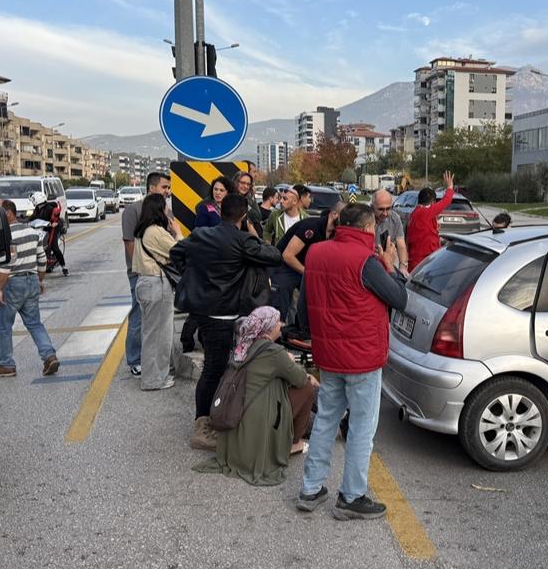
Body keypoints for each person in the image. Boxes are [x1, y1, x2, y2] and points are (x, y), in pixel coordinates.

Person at [297, 203, 407, 520]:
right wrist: (390, 267)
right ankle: (352, 496)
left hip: (328, 355)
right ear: (367, 228)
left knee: (327, 420)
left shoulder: (316, 252)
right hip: (361, 358)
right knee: (361, 427)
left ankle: (311, 488)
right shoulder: (367, 261)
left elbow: (305, 305)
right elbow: (399, 299)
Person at [171, 194, 283, 451]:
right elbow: (274, 256)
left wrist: (196, 277)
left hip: (202, 311)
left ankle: (216, 417)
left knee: (218, 367)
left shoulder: (200, 235)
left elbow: (176, 252)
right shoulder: (242, 241)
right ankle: (203, 426)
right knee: (214, 368)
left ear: (220, 210)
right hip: (223, 313)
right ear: (243, 216)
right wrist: (253, 234)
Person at [195, 307, 320, 485]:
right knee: (307, 387)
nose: (281, 325)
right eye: (277, 322)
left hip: (233, 416)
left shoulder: (242, 344)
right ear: (268, 328)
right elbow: (299, 379)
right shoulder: (273, 352)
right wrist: (291, 362)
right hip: (255, 422)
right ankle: (293, 442)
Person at [0, 200, 59, 378]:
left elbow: (7, 264)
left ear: (8, 213)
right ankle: (49, 356)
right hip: (31, 281)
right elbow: (42, 259)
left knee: (3, 326)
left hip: (13, 284)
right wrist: (40, 280)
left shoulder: (6, 235)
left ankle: (6, 364)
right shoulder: (31, 231)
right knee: (34, 323)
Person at [122, 171, 172, 376]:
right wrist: (141, 268)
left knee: (158, 321)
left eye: (168, 188)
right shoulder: (132, 211)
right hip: (141, 272)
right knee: (138, 315)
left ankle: (156, 361)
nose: (168, 192)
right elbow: (129, 242)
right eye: (164, 187)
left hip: (161, 273)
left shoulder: (165, 211)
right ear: (151, 188)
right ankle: (135, 359)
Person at [272, 201, 344, 335]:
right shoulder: (311, 227)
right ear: (334, 215)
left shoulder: (334, 233)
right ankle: (276, 335)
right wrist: (309, 273)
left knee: (316, 296)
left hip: (305, 268)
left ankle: (303, 330)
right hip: (284, 266)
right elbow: (288, 255)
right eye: (344, 218)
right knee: (281, 301)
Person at [132, 193, 181, 391]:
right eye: (165, 207)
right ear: (159, 210)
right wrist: (177, 232)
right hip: (156, 285)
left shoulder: (142, 230)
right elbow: (180, 250)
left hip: (145, 283)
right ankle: (153, 380)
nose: (168, 210)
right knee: (159, 334)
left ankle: (154, 375)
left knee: (151, 333)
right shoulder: (155, 231)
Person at [405, 171, 455, 271]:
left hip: (415, 262)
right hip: (424, 263)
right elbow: (446, 201)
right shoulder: (425, 212)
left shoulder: (415, 214)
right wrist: (449, 187)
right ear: (432, 202)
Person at [31, 192, 67, 276]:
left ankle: (64, 267)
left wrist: (55, 223)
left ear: (38, 199)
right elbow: (33, 218)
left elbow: (57, 219)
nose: (33, 202)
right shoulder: (38, 208)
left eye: (33, 200)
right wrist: (22, 220)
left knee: (54, 247)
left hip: (53, 229)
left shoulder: (49, 208)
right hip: (42, 229)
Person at [373, 189, 409, 271]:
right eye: (381, 209)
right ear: (372, 207)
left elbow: (401, 245)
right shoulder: (365, 218)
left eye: (388, 208)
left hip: (388, 263)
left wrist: (403, 266)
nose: (385, 213)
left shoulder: (395, 218)